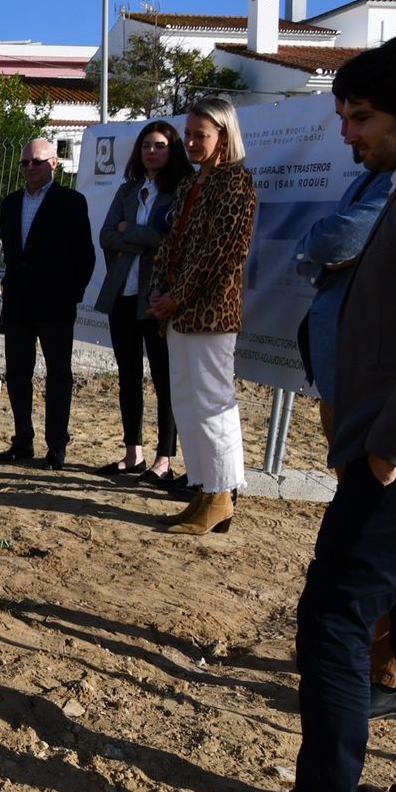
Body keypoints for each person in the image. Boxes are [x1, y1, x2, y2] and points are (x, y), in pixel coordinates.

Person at [208, 34, 396, 792]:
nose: (348, 132)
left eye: (363, 118)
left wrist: (389, 449)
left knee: (334, 621)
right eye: (343, 115)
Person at [295, 152, 396, 721]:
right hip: (347, 378)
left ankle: (389, 668)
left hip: (380, 393)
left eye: (360, 116)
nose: (347, 133)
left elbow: (334, 241)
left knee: (382, 535)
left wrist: (319, 251)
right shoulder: (378, 171)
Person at [148, 99, 256, 535]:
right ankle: (204, 489)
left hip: (211, 312)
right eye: (189, 134)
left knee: (213, 403)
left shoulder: (236, 183)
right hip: (178, 310)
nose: (191, 142)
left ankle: (222, 494)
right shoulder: (191, 184)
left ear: (224, 138)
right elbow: (171, 243)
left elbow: (220, 255)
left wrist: (176, 296)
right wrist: (159, 289)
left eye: (201, 135)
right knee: (187, 401)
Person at [91, 121, 191, 484]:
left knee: (164, 379)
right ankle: (133, 452)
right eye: (147, 144)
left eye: (160, 145)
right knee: (128, 375)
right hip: (122, 294)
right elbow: (105, 235)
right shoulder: (129, 189)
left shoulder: (181, 191)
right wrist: (142, 238)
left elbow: (170, 241)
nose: (152, 151)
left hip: (157, 297)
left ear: (173, 150)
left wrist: (127, 234)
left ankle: (164, 459)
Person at [0, 138, 94, 469]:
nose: (29, 168)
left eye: (36, 162)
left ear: (54, 163)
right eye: (24, 163)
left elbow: (85, 255)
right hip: (19, 304)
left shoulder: (71, 202)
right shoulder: (10, 204)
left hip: (55, 305)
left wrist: (70, 293)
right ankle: (22, 439)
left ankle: (57, 446)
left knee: (58, 376)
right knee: (18, 373)